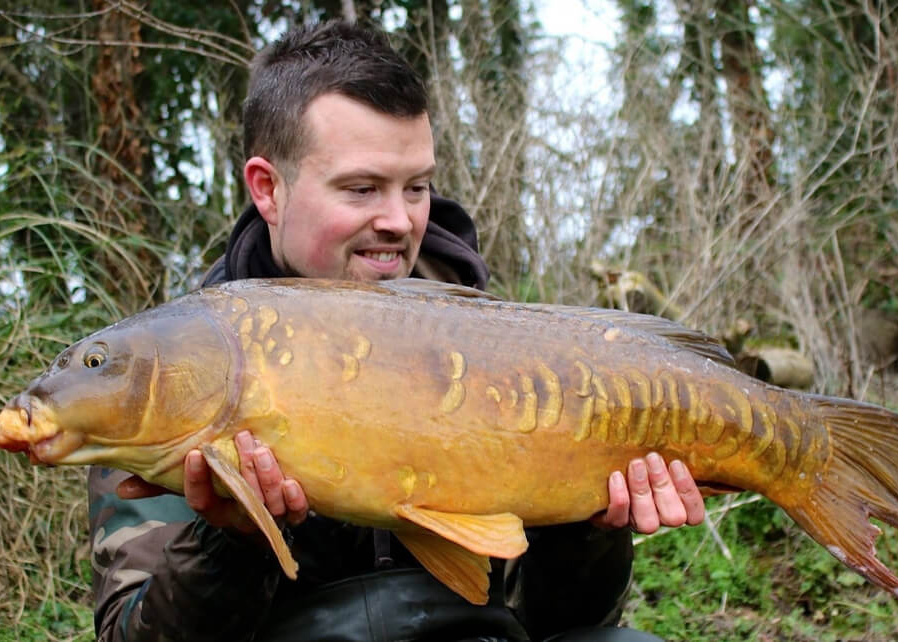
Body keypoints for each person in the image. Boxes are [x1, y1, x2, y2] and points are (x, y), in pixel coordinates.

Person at [87, 20, 705, 642]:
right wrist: (232, 539)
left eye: (417, 188)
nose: (399, 221)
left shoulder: (501, 357)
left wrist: (589, 529)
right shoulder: (176, 370)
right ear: (268, 189)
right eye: (361, 189)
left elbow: (562, 624)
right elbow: (127, 634)